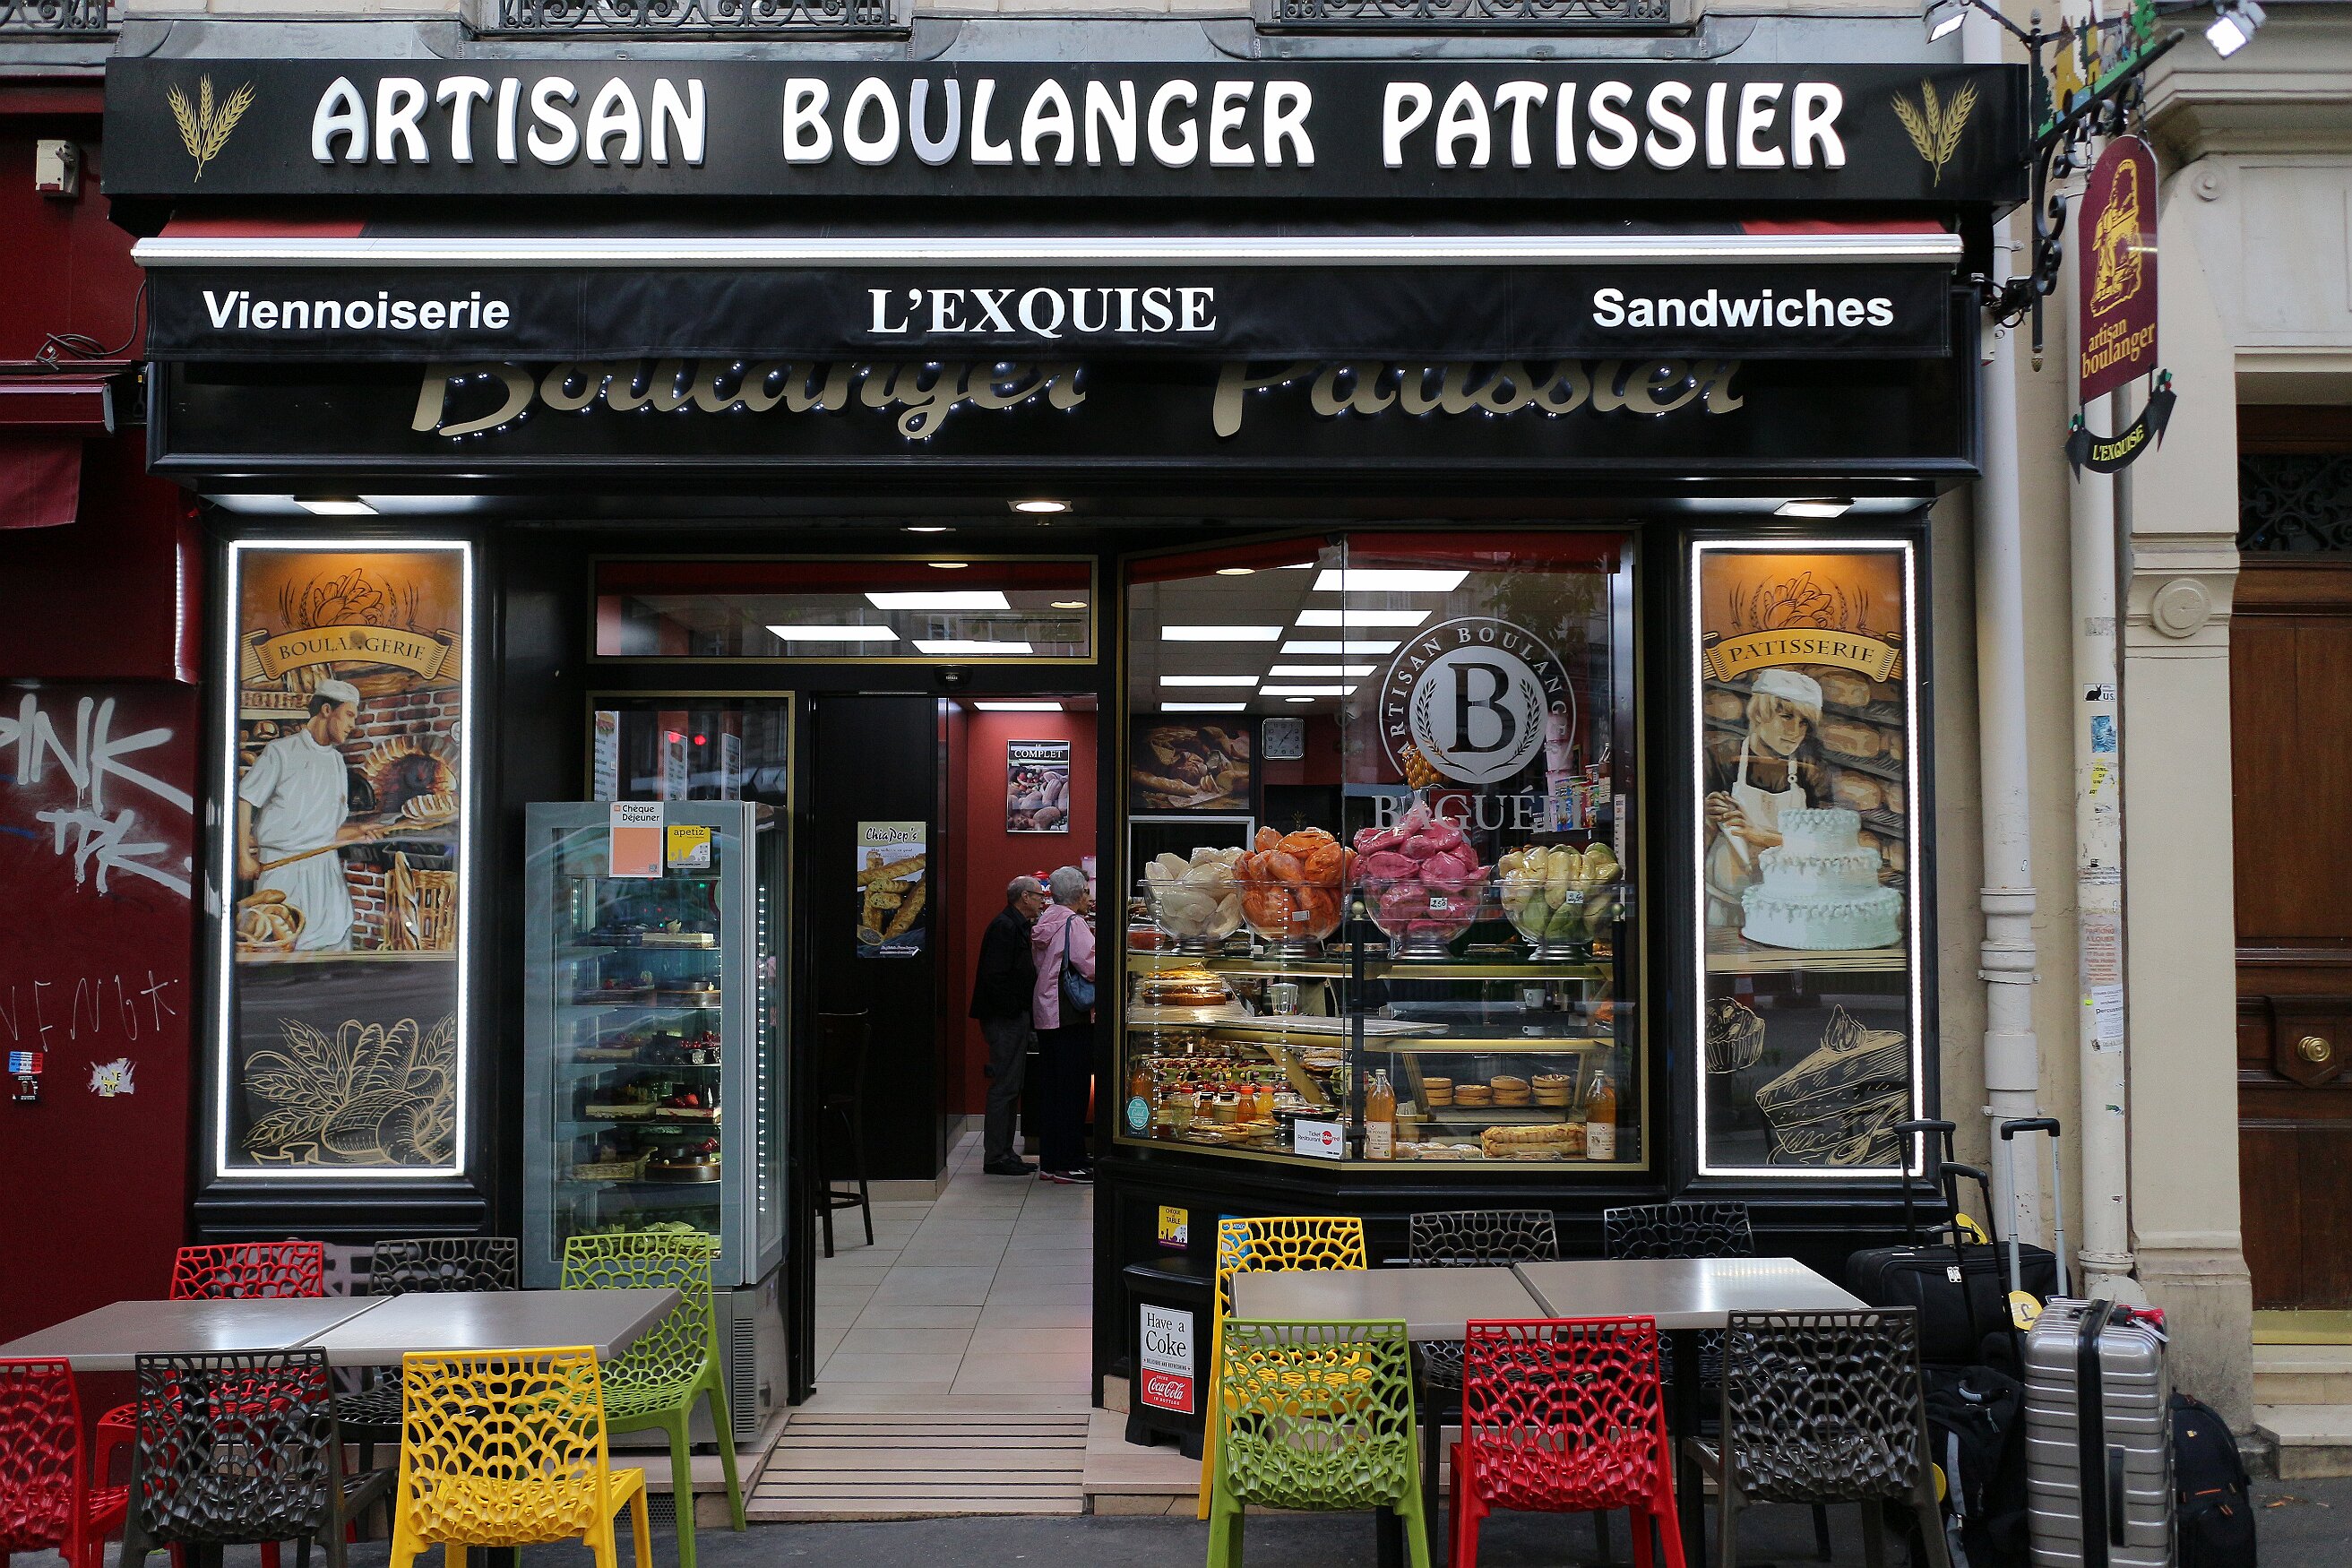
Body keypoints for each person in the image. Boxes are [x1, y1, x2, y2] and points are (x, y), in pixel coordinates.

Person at [236, 678, 377, 952]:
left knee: (334, 945)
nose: (353, 724)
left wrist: (355, 833)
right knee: (281, 949)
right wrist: (244, 856)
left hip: (327, 876)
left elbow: (319, 827)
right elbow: (245, 799)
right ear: (326, 710)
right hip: (283, 874)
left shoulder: (336, 761)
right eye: (349, 715)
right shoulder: (280, 752)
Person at [1702, 666, 1832, 928]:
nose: (1795, 731)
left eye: (1803, 723)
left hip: (1788, 908)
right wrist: (1704, 816)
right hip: (1726, 907)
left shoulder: (1810, 769)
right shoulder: (1719, 758)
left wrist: (1759, 836)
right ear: (1759, 714)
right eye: (1786, 717)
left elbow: (1826, 845)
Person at [971, 874, 1048, 1176]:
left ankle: (1005, 1152)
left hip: (1010, 1016)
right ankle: (996, 1156)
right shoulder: (1005, 927)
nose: (1042, 900)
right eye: (1039, 895)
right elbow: (995, 977)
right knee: (1005, 1086)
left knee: (1012, 1085)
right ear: (1024, 897)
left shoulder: (1014, 925)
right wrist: (1016, 1009)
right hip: (1005, 1019)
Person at [1029, 865, 1097, 1184]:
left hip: (1046, 1012)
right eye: (1086, 891)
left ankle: (1050, 1161)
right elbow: (1092, 966)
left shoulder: (1045, 919)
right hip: (1071, 1014)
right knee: (1073, 1090)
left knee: (1053, 1090)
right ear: (1077, 894)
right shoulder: (1074, 923)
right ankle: (1070, 1163)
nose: (1088, 897)